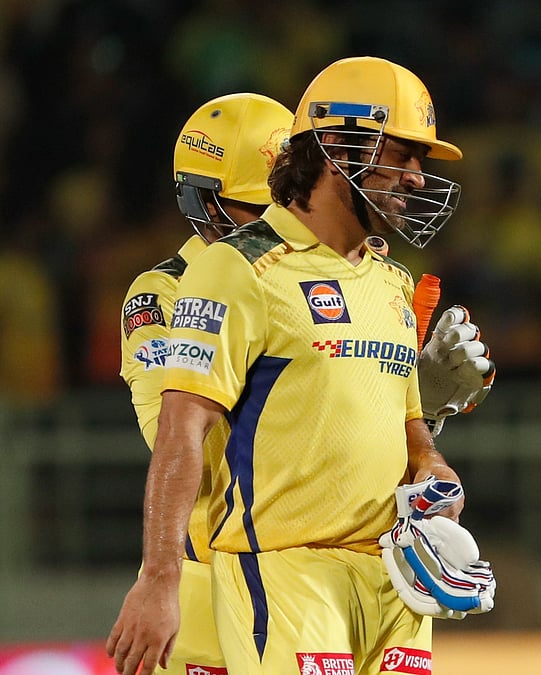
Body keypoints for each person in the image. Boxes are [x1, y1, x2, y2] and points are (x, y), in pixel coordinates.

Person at [107, 56, 491, 675]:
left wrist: (424, 447)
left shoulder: (390, 280)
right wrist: (158, 577)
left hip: (387, 573)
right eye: (405, 156)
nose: (419, 178)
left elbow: (396, 427)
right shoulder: (208, 280)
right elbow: (180, 438)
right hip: (245, 566)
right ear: (336, 148)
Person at [115, 91, 293, 675]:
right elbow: (171, 430)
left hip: (306, 588)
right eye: (255, 210)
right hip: (207, 590)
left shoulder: (323, 287)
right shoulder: (161, 294)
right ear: (204, 205)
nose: (274, 228)